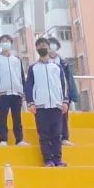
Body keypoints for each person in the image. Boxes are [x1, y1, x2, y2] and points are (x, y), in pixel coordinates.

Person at [26, 38, 70, 167]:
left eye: (44, 45)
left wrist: (65, 101)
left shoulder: (56, 67)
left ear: (48, 47)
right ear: (37, 48)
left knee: (57, 134)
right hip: (40, 107)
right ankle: (48, 160)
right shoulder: (33, 68)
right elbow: (28, 86)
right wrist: (30, 103)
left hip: (56, 105)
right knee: (44, 135)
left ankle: (57, 159)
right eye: (39, 45)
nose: (42, 47)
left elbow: (64, 85)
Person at [0, 34, 29, 147]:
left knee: (17, 117)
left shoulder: (16, 59)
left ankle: (19, 139)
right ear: (0, 44)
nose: (5, 43)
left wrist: (24, 90)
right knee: (3, 116)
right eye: (3, 41)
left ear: (11, 43)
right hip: (3, 92)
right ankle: (3, 139)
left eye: (7, 41)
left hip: (16, 92)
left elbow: (21, 75)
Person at [47, 37, 80, 146]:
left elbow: (69, 78)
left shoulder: (63, 62)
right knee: (50, 116)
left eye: (54, 44)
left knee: (64, 115)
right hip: (49, 92)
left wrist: (70, 94)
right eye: (50, 44)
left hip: (63, 92)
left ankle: (65, 137)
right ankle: (52, 138)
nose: (52, 46)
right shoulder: (44, 61)